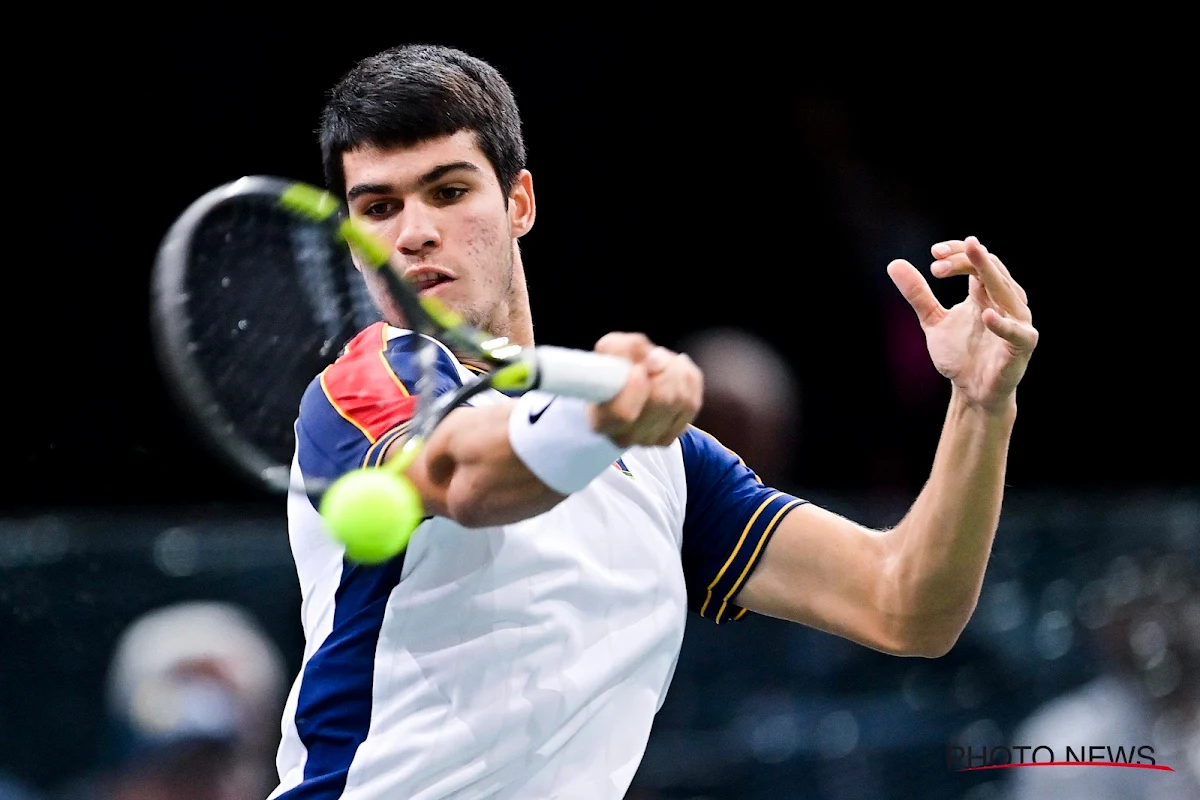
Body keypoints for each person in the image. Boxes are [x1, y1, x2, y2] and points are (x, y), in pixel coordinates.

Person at [271, 44, 1038, 798]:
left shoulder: (667, 466)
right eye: (378, 207)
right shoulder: (363, 385)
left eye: (447, 192)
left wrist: (980, 403)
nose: (412, 233)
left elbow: (905, 603)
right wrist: (602, 425)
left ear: (519, 203)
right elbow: (466, 475)